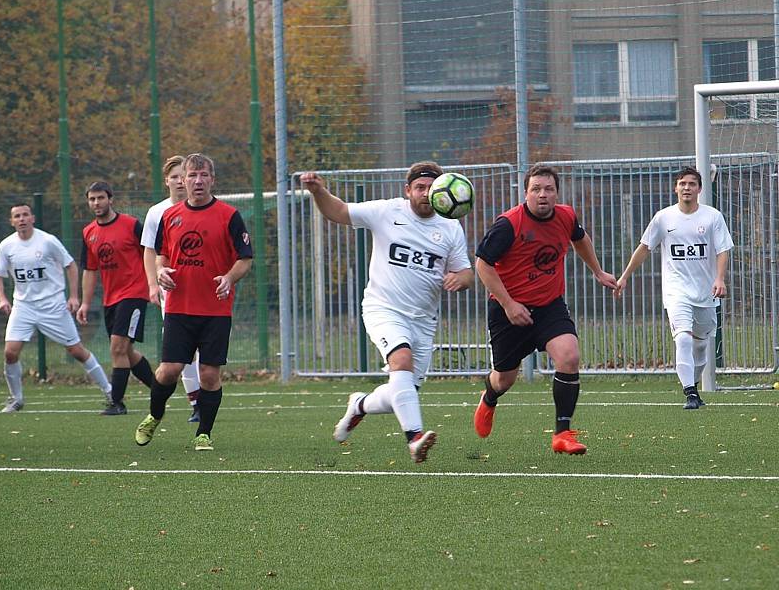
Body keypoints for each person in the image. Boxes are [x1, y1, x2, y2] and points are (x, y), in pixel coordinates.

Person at [301, 161, 473, 463]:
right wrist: (319, 192)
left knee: (402, 390)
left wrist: (460, 279)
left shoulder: (450, 225)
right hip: (384, 309)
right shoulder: (388, 212)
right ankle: (415, 438)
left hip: (423, 320)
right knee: (401, 361)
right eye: (419, 187)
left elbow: (466, 273)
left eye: (431, 188)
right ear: (407, 190)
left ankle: (360, 405)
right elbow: (339, 212)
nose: (425, 193)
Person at [473, 164, 617, 454]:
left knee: (569, 356)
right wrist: (509, 304)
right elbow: (482, 264)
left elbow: (580, 239)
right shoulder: (508, 224)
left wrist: (598, 272)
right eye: (536, 189)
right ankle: (489, 398)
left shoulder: (565, 216)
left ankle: (562, 433)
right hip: (508, 311)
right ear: (525, 193)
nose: (542, 195)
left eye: (548, 189)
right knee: (504, 379)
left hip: (550, 306)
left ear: (557, 193)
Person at [134, 153, 253, 451]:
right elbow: (161, 254)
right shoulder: (169, 217)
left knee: (209, 375)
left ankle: (204, 433)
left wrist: (229, 278)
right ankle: (154, 415)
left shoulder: (229, 215)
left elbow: (245, 259)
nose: (198, 181)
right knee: (168, 370)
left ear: (212, 179)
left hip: (215, 309)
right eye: (192, 176)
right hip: (179, 307)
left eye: (203, 176)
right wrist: (161, 271)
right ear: (183, 180)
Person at [614, 165, 733, 409]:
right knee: (683, 340)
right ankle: (689, 392)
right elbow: (645, 247)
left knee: (700, 345)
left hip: (705, 293)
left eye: (691, 184)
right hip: (676, 291)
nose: (686, 188)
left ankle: (694, 383)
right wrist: (625, 276)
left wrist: (719, 279)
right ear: (675, 188)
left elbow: (722, 250)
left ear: (699, 188)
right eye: (682, 183)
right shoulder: (663, 217)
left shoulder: (712, 217)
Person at [0, 203, 111, 412]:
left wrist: (73, 296)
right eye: (17, 216)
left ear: (33, 218)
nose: (21, 219)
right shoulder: (7, 246)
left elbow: (71, 265)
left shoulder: (47, 241)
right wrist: (2, 299)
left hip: (53, 306)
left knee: (76, 351)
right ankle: (16, 398)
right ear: (12, 221)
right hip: (23, 307)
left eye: (25, 215)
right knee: (10, 353)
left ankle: (110, 391)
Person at [77, 181, 154, 415]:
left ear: (111, 199)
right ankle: (160, 387)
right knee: (125, 352)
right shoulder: (89, 232)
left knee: (117, 347)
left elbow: (150, 255)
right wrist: (85, 303)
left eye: (101, 198)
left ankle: (117, 402)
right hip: (111, 299)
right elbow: (90, 270)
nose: (96, 203)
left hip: (134, 294)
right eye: (92, 199)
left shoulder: (131, 225)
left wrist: (154, 284)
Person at [141, 155, 203, 422]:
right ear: (167, 181)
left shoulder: (206, 208)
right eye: (175, 176)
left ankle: (204, 398)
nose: (180, 181)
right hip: (174, 290)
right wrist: (153, 284)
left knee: (203, 347)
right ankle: (197, 403)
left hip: (202, 287)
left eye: (184, 175)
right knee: (185, 349)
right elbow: (149, 251)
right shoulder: (158, 212)